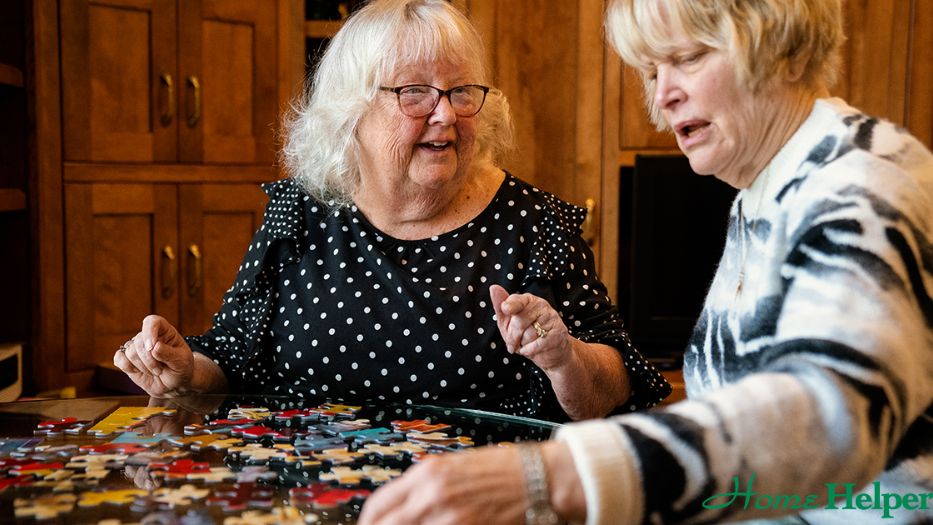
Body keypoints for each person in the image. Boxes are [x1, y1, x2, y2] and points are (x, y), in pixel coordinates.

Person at [358, 0, 933, 523]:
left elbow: (831, 411)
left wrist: (552, 474)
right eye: (653, 72)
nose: (663, 96)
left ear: (784, 49)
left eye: (686, 58)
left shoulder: (861, 179)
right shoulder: (768, 188)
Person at [112, 0, 671, 423]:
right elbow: (233, 357)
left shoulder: (532, 223)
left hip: (475, 503)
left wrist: (564, 357)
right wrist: (187, 369)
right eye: (415, 93)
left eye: (460, 92)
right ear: (352, 112)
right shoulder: (300, 214)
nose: (446, 115)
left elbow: (617, 380)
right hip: (310, 499)